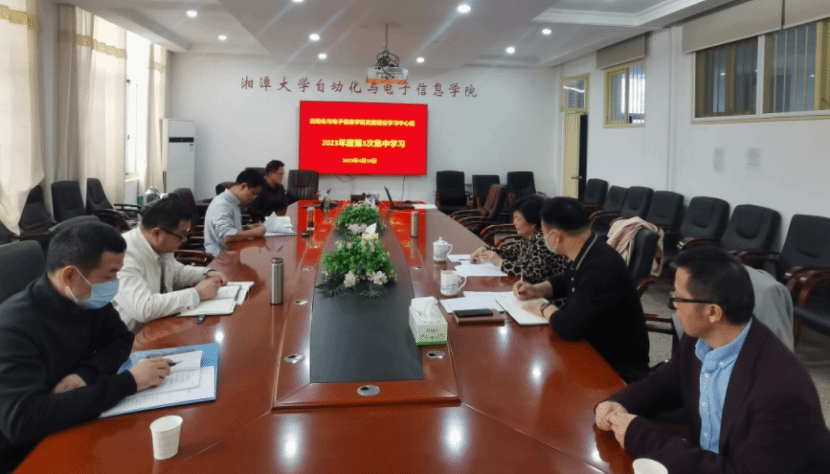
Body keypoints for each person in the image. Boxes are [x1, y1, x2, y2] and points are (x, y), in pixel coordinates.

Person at [595, 247, 830, 474]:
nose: (674, 306)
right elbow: (666, 382)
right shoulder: (700, 339)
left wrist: (642, 436)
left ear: (713, 312)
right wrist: (621, 402)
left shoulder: (779, 390)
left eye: (679, 298)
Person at [0, 222, 174, 471]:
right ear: (70, 275)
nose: (115, 283)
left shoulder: (86, 297)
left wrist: (84, 374)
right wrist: (129, 382)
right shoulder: (12, 329)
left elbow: (121, 339)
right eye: (109, 275)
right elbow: (22, 421)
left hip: (77, 419)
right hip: (28, 452)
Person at [513, 197, 649, 382]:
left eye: (544, 233)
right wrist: (537, 290)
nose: (544, 239)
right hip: (591, 345)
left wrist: (544, 308)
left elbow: (568, 327)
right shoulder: (589, 247)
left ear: (555, 237)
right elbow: (566, 279)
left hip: (614, 366)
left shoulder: (601, 267)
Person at [113, 197, 228, 332]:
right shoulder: (122, 255)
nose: (184, 240)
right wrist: (196, 294)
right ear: (157, 233)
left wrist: (206, 274)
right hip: (133, 334)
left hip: (160, 322)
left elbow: (175, 273)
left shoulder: (161, 244)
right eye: (181, 235)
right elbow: (144, 308)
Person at [470, 195, 568, 283]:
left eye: (518, 219)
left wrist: (500, 263)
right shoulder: (529, 236)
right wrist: (485, 249)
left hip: (545, 293)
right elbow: (510, 252)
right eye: (514, 218)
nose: (514, 223)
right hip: (526, 287)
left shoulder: (544, 240)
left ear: (533, 223)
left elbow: (533, 273)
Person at [203, 169, 267, 256]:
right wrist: (254, 232)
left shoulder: (232, 202)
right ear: (243, 186)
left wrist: (246, 228)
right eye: (253, 193)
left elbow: (229, 229)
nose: (253, 198)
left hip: (232, 252)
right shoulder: (222, 205)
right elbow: (226, 236)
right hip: (219, 258)